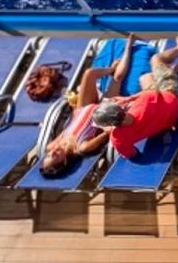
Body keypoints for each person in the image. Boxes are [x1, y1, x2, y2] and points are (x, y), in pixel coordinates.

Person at [40, 34, 135, 176]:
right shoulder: (82, 147)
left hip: (82, 109)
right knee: (118, 78)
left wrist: (74, 109)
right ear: (64, 161)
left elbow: (69, 126)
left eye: (48, 155)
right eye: (54, 156)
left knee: (89, 74)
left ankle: (110, 68)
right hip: (101, 111)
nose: (52, 152)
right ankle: (128, 47)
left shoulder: (52, 145)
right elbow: (107, 133)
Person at [92, 37, 178, 159]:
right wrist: (129, 99)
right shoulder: (143, 104)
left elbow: (132, 154)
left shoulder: (117, 138)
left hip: (167, 120)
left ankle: (175, 68)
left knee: (153, 77)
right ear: (118, 108)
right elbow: (152, 91)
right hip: (174, 93)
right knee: (153, 63)